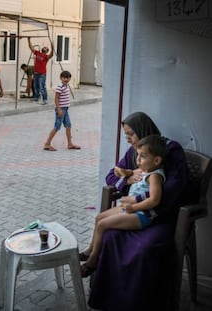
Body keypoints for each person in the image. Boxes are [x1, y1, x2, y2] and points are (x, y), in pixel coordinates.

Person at [88, 111, 189, 311]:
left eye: (130, 135)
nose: (128, 140)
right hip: (136, 212)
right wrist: (127, 178)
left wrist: (137, 200)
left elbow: (174, 188)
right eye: (126, 136)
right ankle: (110, 301)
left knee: (144, 249)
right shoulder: (136, 151)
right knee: (110, 235)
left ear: (143, 130)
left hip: (161, 217)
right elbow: (111, 176)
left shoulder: (170, 150)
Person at [80, 135, 167, 277]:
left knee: (103, 225)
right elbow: (121, 173)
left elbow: (154, 200)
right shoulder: (146, 171)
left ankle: (93, 261)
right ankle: (90, 249)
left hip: (141, 215)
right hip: (129, 208)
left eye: (142, 156)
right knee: (99, 218)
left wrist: (134, 208)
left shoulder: (155, 176)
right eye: (138, 155)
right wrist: (127, 173)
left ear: (156, 160)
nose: (138, 160)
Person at [43, 70, 81, 151]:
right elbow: (56, 99)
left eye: (68, 78)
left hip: (66, 110)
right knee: (57, 127)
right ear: (61, 78)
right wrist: (59, 109)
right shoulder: (60, 86)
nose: (66, 79)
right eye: (64, 78)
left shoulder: (66, 86)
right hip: (61, 109)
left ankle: (70, 144)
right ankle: (47, 144)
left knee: (68, 125)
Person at [28, 37, 54, 105]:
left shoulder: (46, 57)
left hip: (42, 74)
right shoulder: (37, 53)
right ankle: (36, 97)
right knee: (35, 86)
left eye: (45, 48)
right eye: (44, 47)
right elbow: (31, 47)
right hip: (36, 73)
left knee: (42, 87)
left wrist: (52, 47)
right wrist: (29, 40)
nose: (44, 48)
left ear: (47, 51)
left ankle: (45, 99)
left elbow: (52, 54)